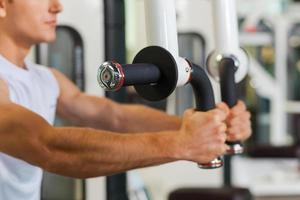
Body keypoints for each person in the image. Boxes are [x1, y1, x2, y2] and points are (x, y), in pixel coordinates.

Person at [0, 0, 252, 199]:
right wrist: (182, 143)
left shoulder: (46, 79)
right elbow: (48, 147)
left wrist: (211, 126)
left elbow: (115, 116)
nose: (57, 6)